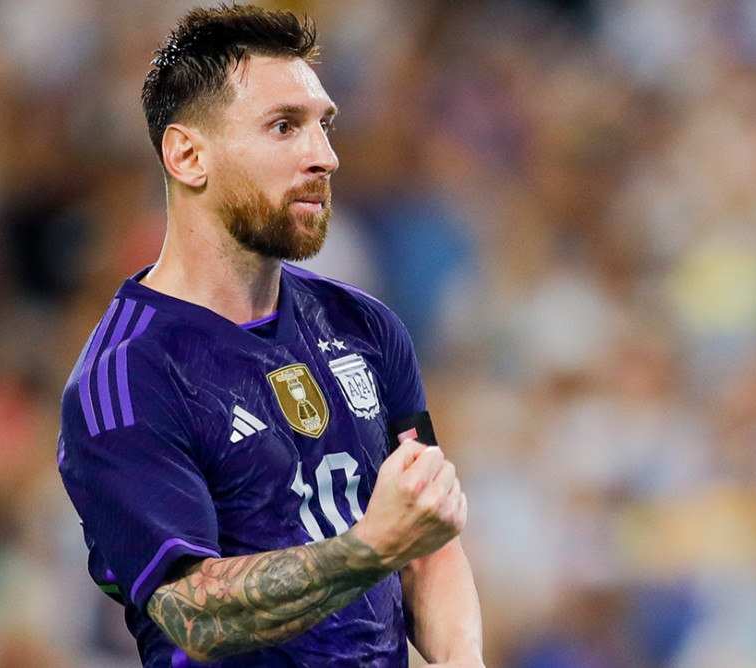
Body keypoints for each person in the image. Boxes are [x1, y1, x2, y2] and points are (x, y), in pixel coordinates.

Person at [58, 5, 483, 666]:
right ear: (189, 155)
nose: (325, 156)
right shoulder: (128, 377)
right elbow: (191, 613)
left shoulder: (366, 329)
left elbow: (429, 544)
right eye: (285, 127)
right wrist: (369, 548)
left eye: (324, 126)